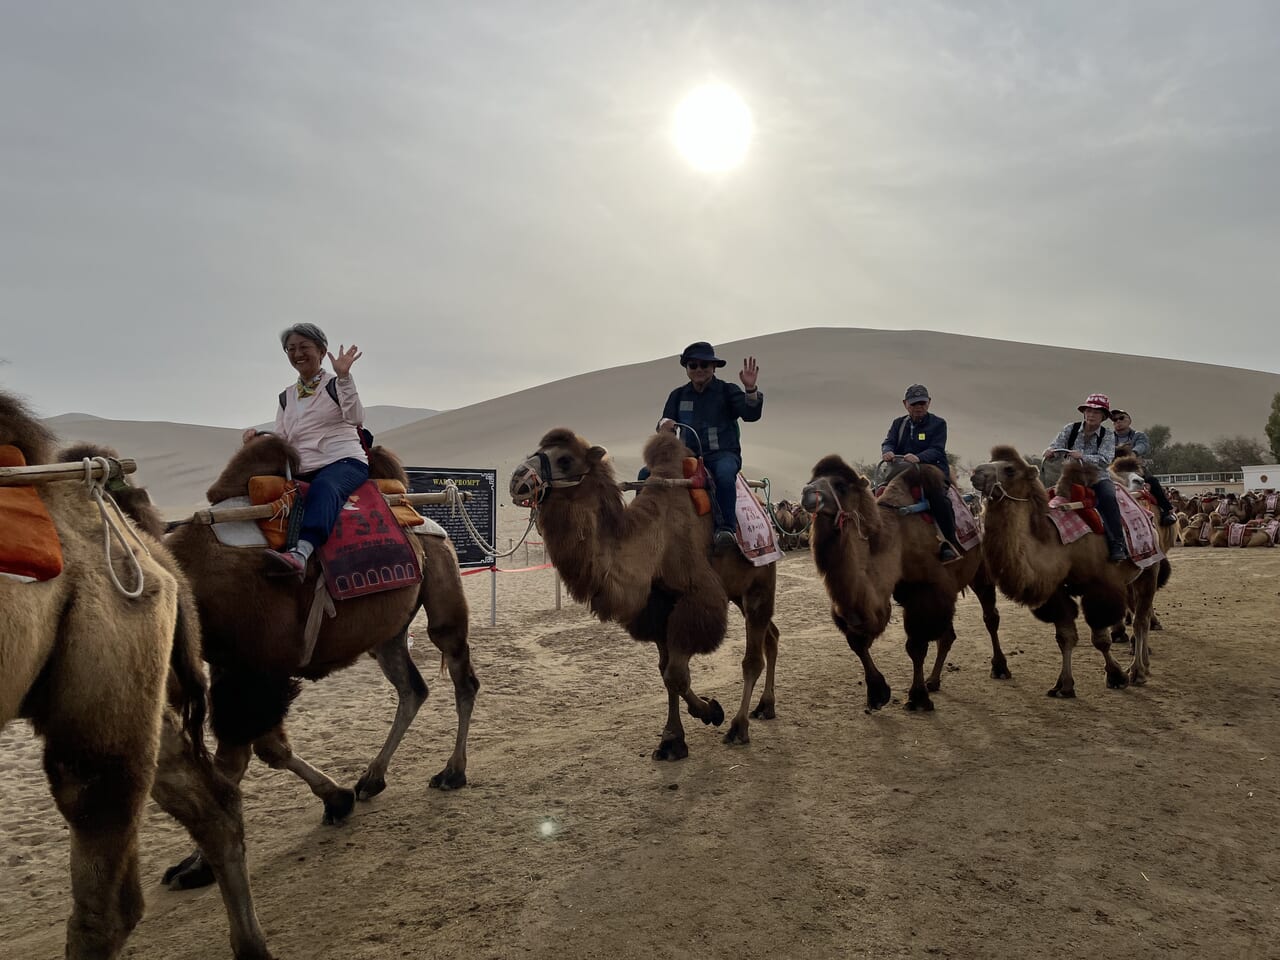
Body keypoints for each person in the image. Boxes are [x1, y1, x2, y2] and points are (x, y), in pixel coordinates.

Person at [244, 323, 369, 577]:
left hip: (342, 462)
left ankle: (301, 551)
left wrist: (344, 377)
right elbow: (283, 439)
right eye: (290, 349)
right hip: (302, 467)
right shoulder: (286, 397)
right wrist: (258, 442)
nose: (297, 353)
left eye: (304, 347)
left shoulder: (336, 386)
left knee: (325, 488)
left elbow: (356, 417)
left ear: (322, 351)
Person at [655, 341, 763, 549]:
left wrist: (750, 390)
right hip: (686, 457)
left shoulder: (727, 391)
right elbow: (665, 421)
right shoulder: (678, 395)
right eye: (693, 365)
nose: (699, 370)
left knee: (723, 474)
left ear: (713, 367)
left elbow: (751, 415)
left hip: (722, 454)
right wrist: (664, 425)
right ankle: (648, 526)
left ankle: (726, 529)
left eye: (704, 365)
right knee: (647, 475)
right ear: (687, 369)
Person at [881, 384, 960, 563]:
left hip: (931, 471)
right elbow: (888, 442)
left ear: (929, 403)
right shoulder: (898, 424)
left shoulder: (938, 424)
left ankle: (949, 543)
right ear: (905, 404)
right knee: (875, 496)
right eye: (914, 404)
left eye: (922, 403)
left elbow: (937, 449)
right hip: (902, 472)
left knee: (939, 499)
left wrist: (919, 457)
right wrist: (887, 451)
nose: (919, 407)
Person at [1044, 393, 1128, 562]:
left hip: (1098, 477)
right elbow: (1056, 445)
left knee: (1108, 497)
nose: (1091, 415)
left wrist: (1082, 456)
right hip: (1070, 476)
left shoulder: (1108, 435)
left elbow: (1105, 460)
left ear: (1103, 416)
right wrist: (1050, 452)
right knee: (1047, 497)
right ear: (1084, 412)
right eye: (1088, 411)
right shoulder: (1071, 429)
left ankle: (1117, 543)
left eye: (1096, 412)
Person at [1109, 409, 1177, 527]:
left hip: (1135, 468)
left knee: (1153, 482)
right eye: (1114, 420)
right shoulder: (1107, 438)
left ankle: (1167, 511)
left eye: (1121, 418)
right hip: (1114, 470)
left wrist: (1134, 452)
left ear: (1129, 420)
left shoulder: (1138, 435)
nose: (1117, 421)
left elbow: (1143, 445)